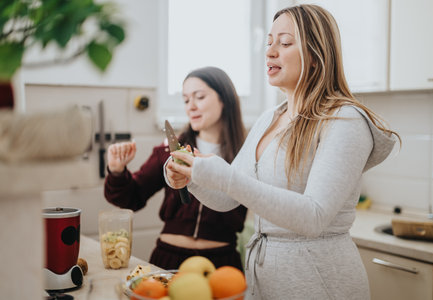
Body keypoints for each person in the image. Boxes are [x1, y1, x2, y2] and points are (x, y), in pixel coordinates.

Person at [166, 4, 401, 299]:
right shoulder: (269, 118)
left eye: (285, 42)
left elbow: (313, 217)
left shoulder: (345, 120)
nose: (270, 52)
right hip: (265, 279)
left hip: (320, 283)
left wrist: (222, 175)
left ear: (316, 55)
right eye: (269, 43)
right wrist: (193, 176)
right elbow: (228, 198)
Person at [104, 66, 248, 271]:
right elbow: (131, 197)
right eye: (186, 100)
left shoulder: (247, 155)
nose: (191, 106)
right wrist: (117, 171)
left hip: (222, 264)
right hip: (168, 260)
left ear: (224, 98)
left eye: (199, 97)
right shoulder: (169, 151)